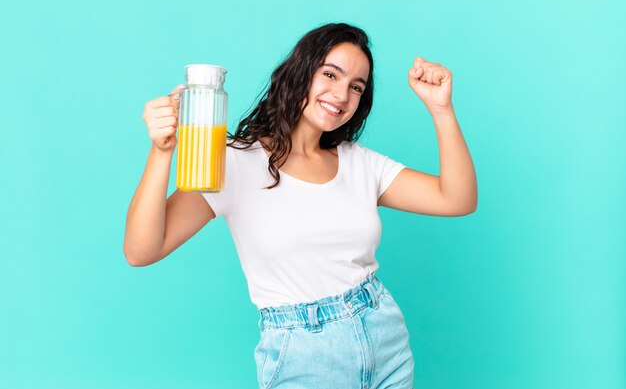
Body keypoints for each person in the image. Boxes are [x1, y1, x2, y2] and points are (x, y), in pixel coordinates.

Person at [124, 23, 477, 389]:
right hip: (303, 354)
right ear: (300, 73)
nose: (342, 94)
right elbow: (141, 250)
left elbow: (457, 199)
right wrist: (162, 151)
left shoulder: (360, 163)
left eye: (356, 86)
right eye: (330, 74)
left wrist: (441, 109)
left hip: (384, 339)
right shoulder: (232, 162)